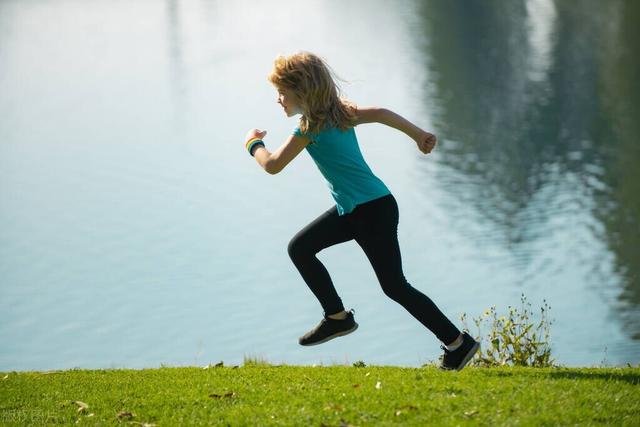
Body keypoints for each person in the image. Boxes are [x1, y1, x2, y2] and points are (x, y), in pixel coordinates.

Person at [243, 51, 479, 371]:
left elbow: (272, 166)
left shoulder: (309, 128)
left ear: (303, 91)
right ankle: (337, 317)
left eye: (282, 92)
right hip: (358, 210)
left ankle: (458, 344)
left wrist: (252, 144)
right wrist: (418, 135)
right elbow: (381, 112)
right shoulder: (340, 114)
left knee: (394, 286)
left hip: (370, 211)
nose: (278, 100)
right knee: (301, 248)